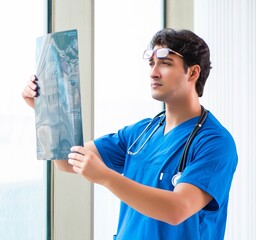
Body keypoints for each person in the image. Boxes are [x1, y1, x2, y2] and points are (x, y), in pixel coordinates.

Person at [22, 28, 238, 240]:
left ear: (193, 72)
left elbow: (177, 209)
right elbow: (69, 162)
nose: (153, 72)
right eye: (152, 63)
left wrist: (107, 177)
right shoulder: (141, 133)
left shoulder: (215, 142)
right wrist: (49, 112)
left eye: (165, 63)